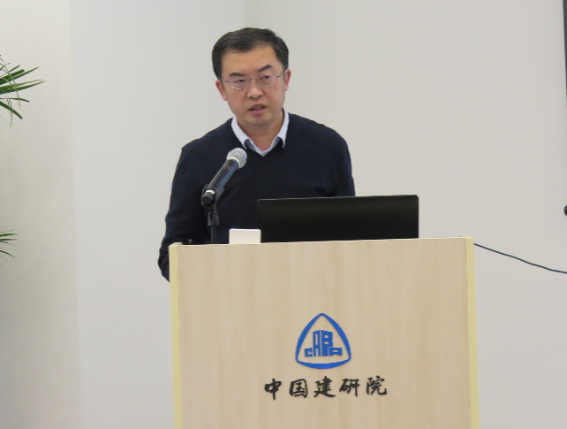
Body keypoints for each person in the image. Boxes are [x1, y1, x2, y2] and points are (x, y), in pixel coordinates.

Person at [158, 28, 355, 280]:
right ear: (221, 89)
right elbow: (172, 255)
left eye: (265, 78)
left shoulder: (326, 147)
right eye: (239, 81)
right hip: (229, 297)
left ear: (286, 79)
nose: (254, 92)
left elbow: (350, 240)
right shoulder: (198, 156)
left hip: (311, 294)